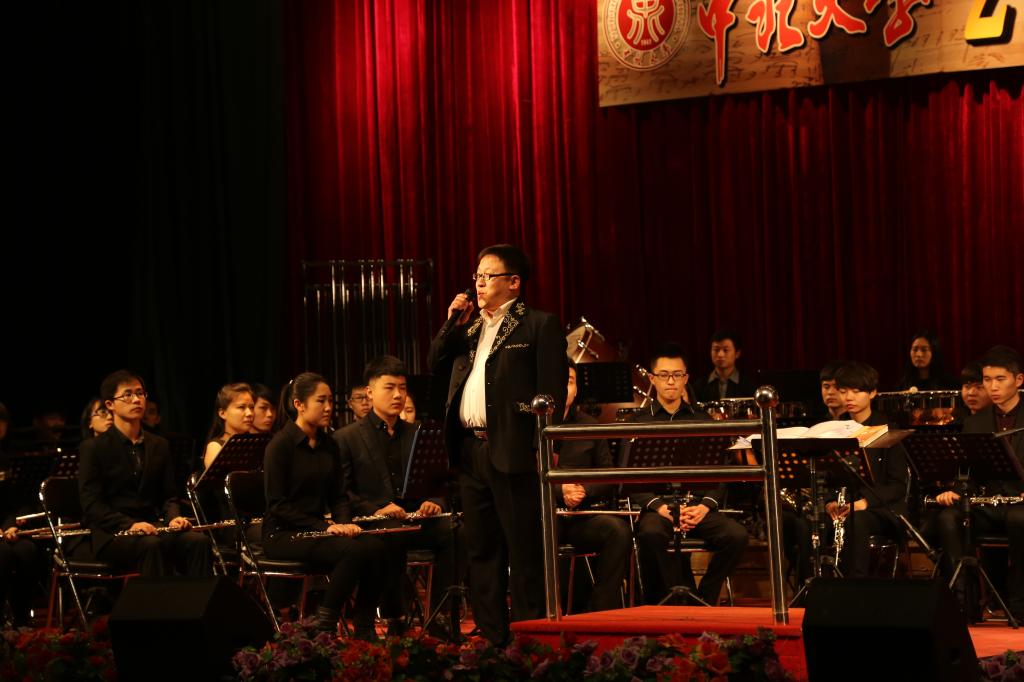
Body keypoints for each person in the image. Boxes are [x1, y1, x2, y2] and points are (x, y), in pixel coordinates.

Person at [427, 243, 567, 645]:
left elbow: (552, 392)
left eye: (489, 275)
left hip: (514, 448)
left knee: (523, 549)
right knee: (482, 550)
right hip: (470, 450)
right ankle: (492, 641)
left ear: (514, 282)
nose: (479, 282)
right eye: (477, 275)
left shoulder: (538, 325)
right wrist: (450, 322)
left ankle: (529, 640)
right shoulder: (470, 329)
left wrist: (544, 446)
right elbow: (435, 362)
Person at [262, 372, 406, 639]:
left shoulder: (329, 444)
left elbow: (339, 496)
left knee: (378, 546)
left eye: (330, 401)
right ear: (299, 404)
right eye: (321, 401)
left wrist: (344, 523)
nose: (329, 407)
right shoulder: (279, 446)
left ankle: (364, 623)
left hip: (319, 529)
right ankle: (324, 624)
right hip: (283, 533)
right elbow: (277, 505)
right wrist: (325, 526)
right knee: (353, 551)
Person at [334, 356, 457, 634]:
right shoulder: (346, 437)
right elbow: (342, 491)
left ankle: (439, 615)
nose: (398, 395)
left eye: (402, 388)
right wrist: (376, 510)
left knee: (454, 531)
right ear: (370, 392)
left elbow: (440, 481)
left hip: (414, 517)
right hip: (373, 520)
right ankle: (392, 617)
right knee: (392, 533)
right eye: (389, 388)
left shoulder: (418, 433)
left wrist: (435, 501)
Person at [627, 343, 749, 606]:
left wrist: (704, 507)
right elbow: (629, 477)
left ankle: (702, 598)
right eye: (663, 375)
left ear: (686, 378)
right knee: (650, 534)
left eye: (677, 375)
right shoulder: (637, 422)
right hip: (659, 508)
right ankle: (670, 597)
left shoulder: (703, 420)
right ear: (652, 379)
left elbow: (720, 474)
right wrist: (661, 508)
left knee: (736, 536)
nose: (671, 381)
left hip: (696, 506)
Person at [78, 370, 211, 577]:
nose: (136, 400)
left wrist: (173, 518)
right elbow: (92, 504)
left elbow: (169, 496)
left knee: (198, 541)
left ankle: (197, 598)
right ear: (110, 404)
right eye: (127, 395)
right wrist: (130, 524)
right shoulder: (93, 448)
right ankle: (157, 600)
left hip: (152, 527)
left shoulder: (159, 444)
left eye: (140, 393)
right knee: (150, 545)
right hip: (113, 533)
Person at [932, 345, 1024, 622]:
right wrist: (956, 489)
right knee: (949, 518)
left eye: (1000, 379)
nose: (992, 387)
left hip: (1019, 505)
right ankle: (964, 603)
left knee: (1019, 519)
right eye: (987, 380)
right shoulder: (976, 422)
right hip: (990, 503)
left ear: (1018, 380)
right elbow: (969, 471)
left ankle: (1019, 604)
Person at [557, 362, 631, 612]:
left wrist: (582, 490)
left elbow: (607, 476)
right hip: (544, 517)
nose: (564, 387)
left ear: (576, 389)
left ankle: (600, 610)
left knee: (618, 531)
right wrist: (560, 490)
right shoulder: (529, 425)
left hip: (580, 516)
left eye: (570, 381)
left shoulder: (589, 425)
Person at [826, 362, 909, 579]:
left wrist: (864, 503)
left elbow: (897, 486)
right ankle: (816, 585)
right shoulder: (834, 429)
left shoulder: (887, 430)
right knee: (809, 522)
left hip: (882, 509)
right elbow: (828, 477)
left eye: (856, 391)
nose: (848, 397)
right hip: (847, 507)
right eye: (843, 391)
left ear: (872, 393)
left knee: (857, 520)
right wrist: (830, 502)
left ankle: (856, 584)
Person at [1, 450, 43, 627]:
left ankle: (21, 618)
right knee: (3, 554)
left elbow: (17, 502)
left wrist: (11, 525)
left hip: (8, 527)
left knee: (27, 551)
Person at [203, 383, 255, 469]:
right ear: (222, 413)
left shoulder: (255, 443)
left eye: (252, 407)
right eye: (241, 407)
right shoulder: (215, 447)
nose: (249, 413)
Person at [696, 329, 756, 402]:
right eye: (716, 349)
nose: (720, 354)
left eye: (725, 350)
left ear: (737, 353)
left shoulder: (748, 385)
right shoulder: (699, 386)